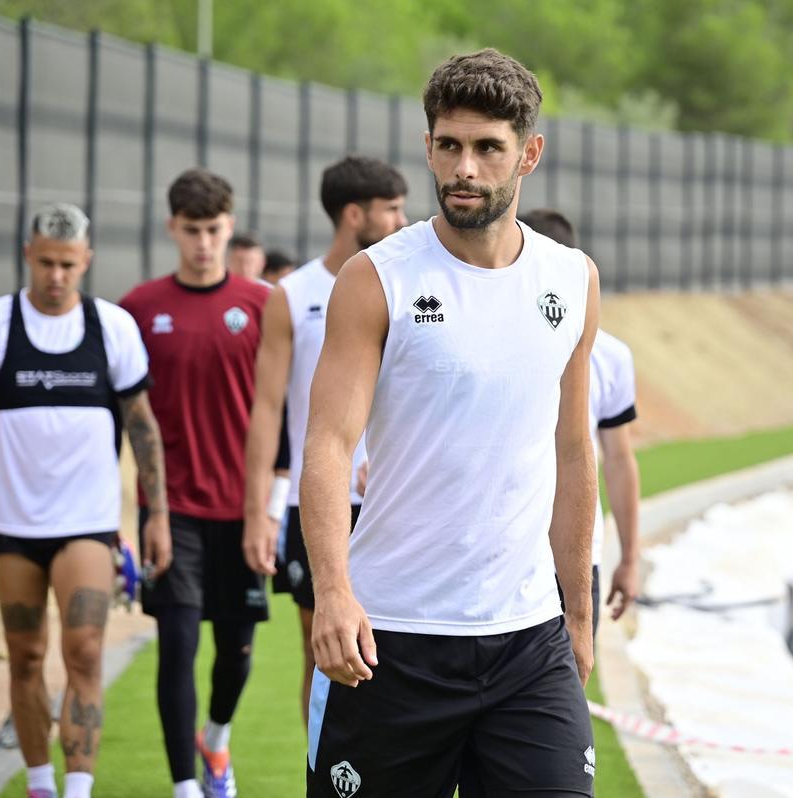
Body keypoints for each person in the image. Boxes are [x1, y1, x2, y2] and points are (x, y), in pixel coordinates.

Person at [300, 49, 600, 796]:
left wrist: (580, 614)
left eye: (488, 148)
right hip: (392, 637)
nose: (464, 167)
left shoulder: (573, 278)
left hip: (528, 643)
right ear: (428, 146)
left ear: (528, 154)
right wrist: (334, 592)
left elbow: (572, 453)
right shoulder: (376, 280)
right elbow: (329, 446)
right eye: (449, 145)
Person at [0, 203, 169, 798]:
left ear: (86, 261)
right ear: (28, 256)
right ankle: (40, 783)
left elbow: (143, 427)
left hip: (87, 525)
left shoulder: (112, 327)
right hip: (14, 527)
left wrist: (158, 514)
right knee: (24, 656)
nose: (56, 276)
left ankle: (78, 790)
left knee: (85, 652)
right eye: (46, 262)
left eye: (68, 264)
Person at [119, 169, 271, 798]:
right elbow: (125, 420)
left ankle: (215, 736)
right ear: (171, 229)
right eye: (192, 231)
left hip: (244, 508)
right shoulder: (137, 310)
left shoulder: (263, 306)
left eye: (214, 230)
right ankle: (187, 786)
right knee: (177, 645)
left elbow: (280, 414)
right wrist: (134, 517)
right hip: (170, 509)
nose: (203, 243)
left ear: (229, 227)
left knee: (235, 653)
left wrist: (268, 509)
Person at [242, 156, 408, 727]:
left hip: (396, 503)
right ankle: (321, 775)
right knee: (324, 656)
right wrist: (258, 512)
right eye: (391, 209)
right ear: (354, 213)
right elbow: (266, 409)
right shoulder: (291, 295)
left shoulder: (406, 285)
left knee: (401, 658)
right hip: (315, 503)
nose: (402, 220)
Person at [520, 208, 642, 630]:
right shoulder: (488, 338)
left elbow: (619, 459)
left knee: (568, 686)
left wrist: (628, 559)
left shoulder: (611, 356)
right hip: (505, 553)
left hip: (574, 554)